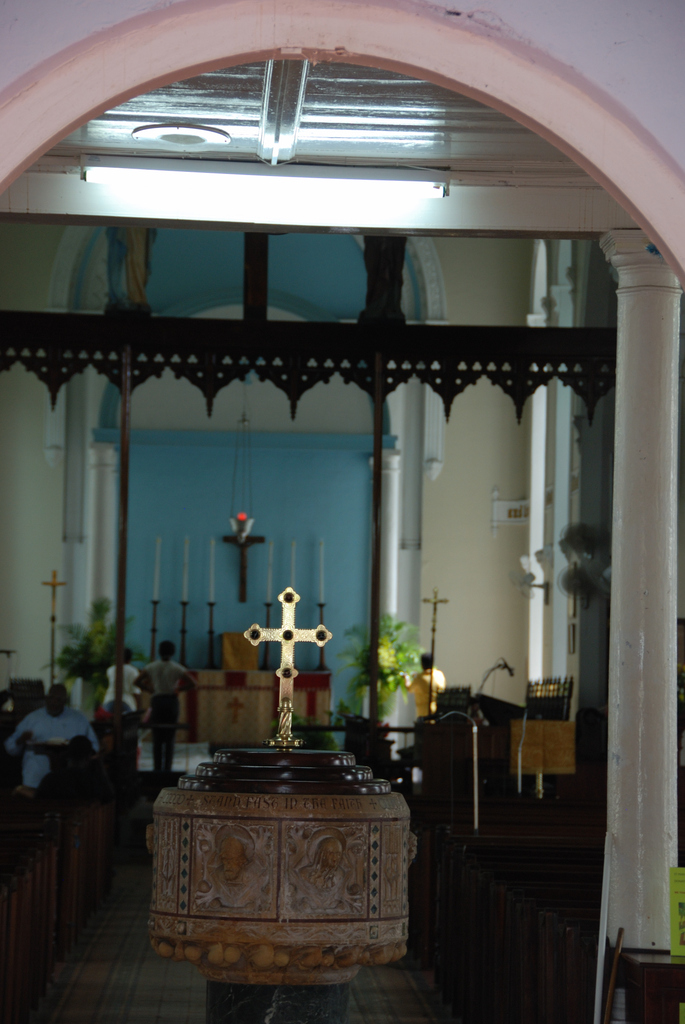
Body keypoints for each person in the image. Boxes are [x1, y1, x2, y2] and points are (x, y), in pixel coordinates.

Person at [4, 683, 99, 790]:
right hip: (35, 780)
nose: (54, 702)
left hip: (68, 782)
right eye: (51, 698)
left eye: (58, 699)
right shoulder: (32, 718)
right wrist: (21, 740)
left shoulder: (78, 720)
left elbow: (94, 746)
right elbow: (10, 746)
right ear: (46, 698)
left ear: (65, 701)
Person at [136, 641, 195, 771]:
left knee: (157, 736)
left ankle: (157, 769)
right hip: (171, 702)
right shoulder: (177, 667)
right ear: (173, 652)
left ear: (159, 651)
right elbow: (193, 683)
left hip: (157, 701)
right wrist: (179, 689)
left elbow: (137, 681)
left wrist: (149, 689)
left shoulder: (151, 666)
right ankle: (167, 769)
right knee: (170, 736)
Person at [34, 735, 114, 803]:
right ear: (89, 757)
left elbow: (38, 800)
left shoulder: (50, 779)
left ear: (67, 755)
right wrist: (101, 767)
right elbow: (109, 798)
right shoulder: (93, 780)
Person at [102, 647, 142, 713]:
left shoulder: (110, 670)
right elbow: (136, 692)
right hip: (126, 701)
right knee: (130, 719)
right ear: (129, 659)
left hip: (109, 700)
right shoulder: (133, 671)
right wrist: (138, 710)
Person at [407, 653, 446, 718]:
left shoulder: (419, 678)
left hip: (423, 713)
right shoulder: (439, 674)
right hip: (437, 711)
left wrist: (407, 678)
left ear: (422, 664)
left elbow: (409, 689)